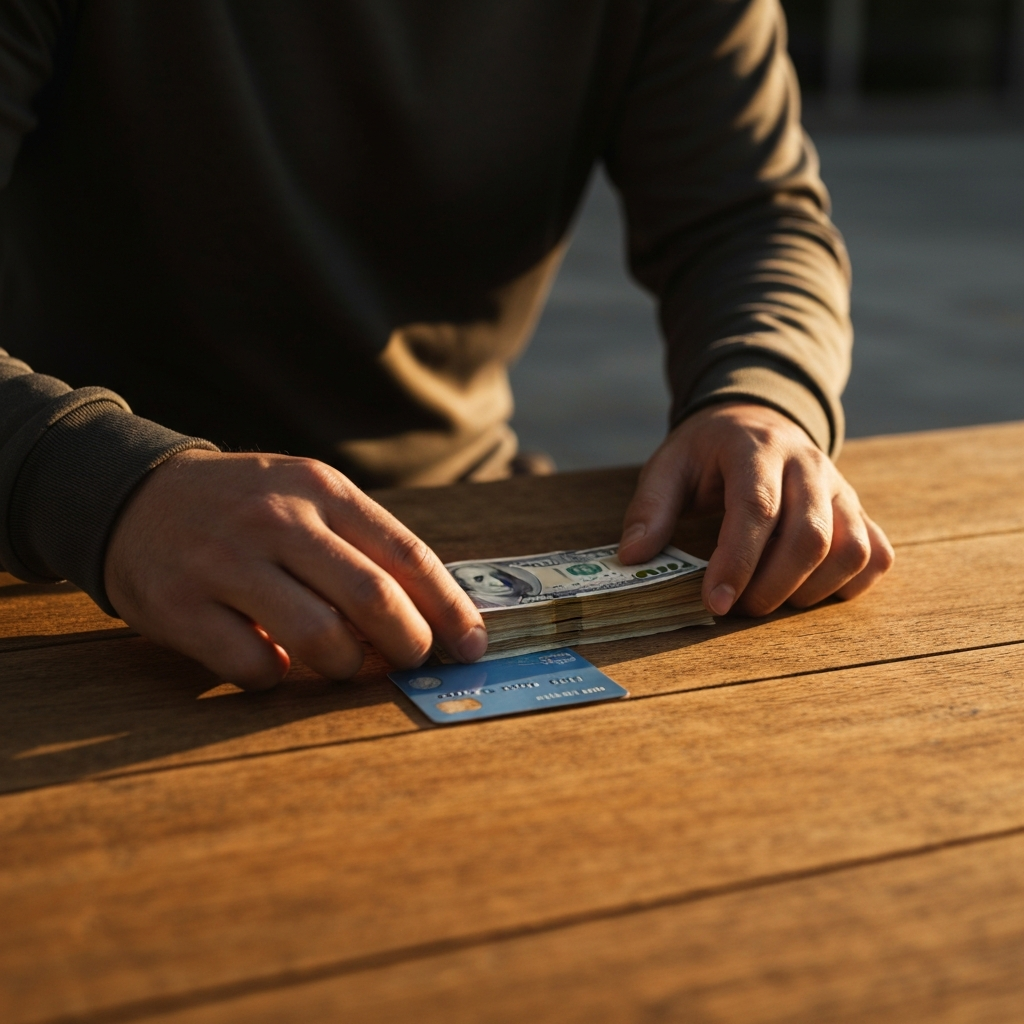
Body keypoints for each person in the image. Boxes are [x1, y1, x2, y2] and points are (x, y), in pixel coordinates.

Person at [0, 0, 893, 690]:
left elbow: (749, 219)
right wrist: (102, 490)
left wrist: (762, 393)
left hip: (458, 524)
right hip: (65, 555)